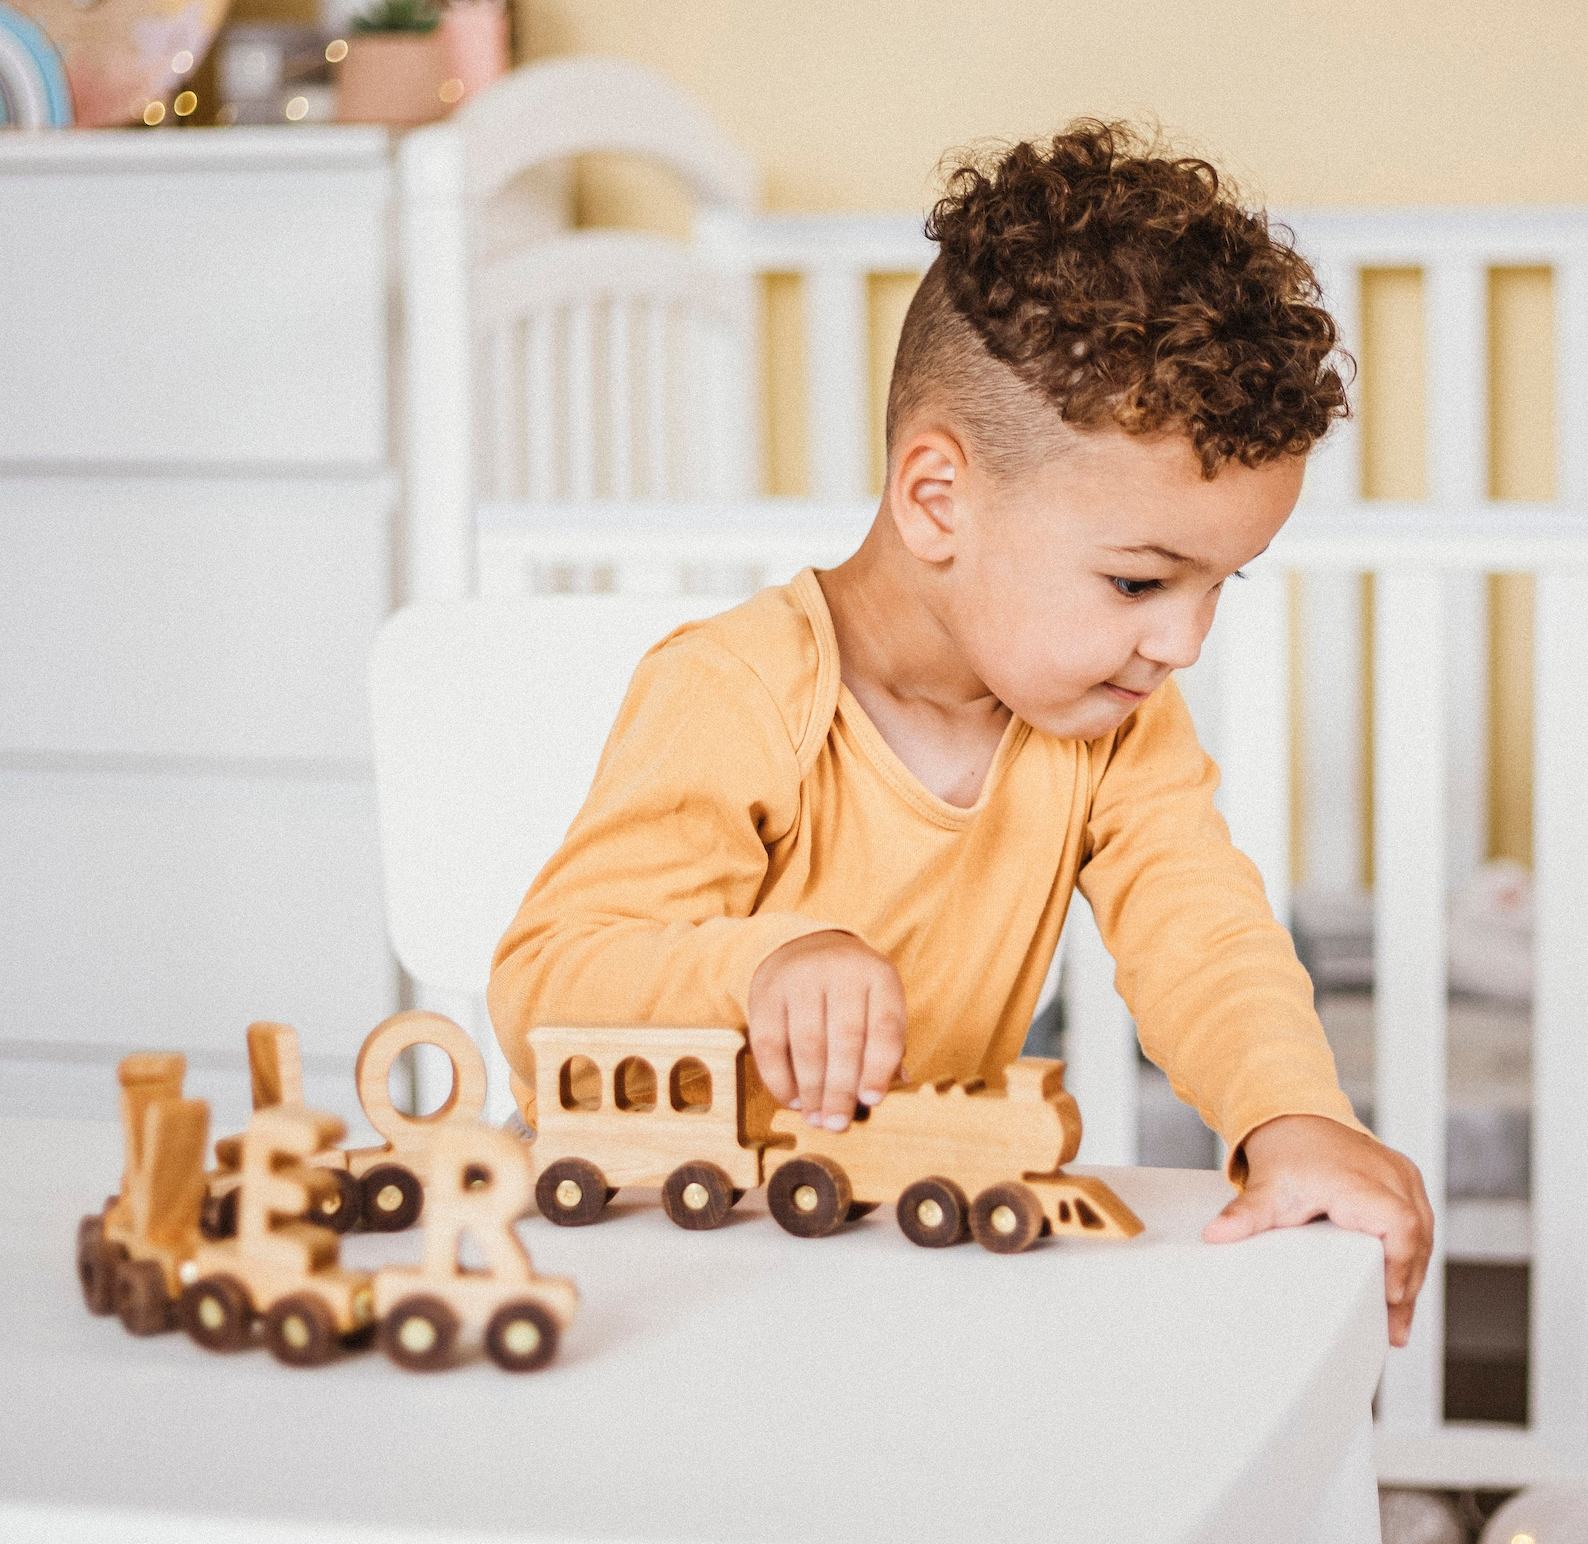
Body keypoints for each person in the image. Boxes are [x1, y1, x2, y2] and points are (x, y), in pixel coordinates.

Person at [488, 117, 1434, 1348]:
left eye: (1221, 586)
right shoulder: (738, 691)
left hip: (879, 1255)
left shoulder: (1108, 724)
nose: (1183, 642)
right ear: (937, 498)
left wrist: (1290, 1116)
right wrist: (764, 963)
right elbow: (545, 977)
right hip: (642, 1261)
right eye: (1142, 583)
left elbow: (1199, 927)